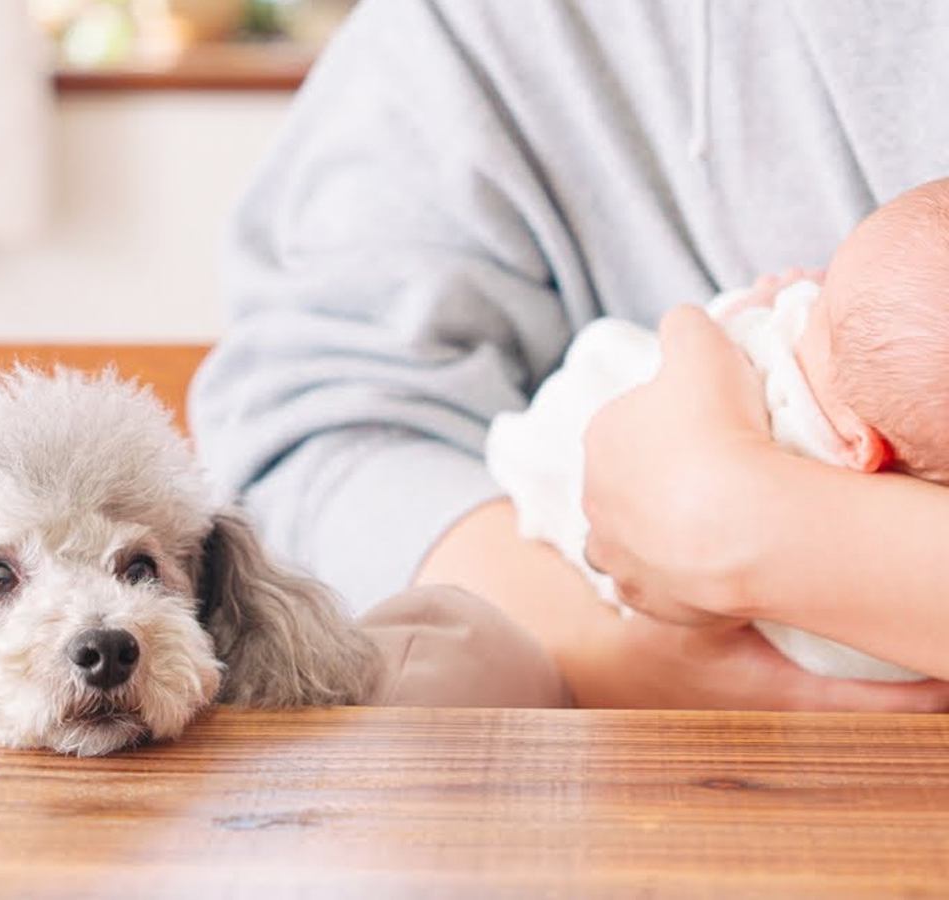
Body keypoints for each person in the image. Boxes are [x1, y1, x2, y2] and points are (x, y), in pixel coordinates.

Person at [190, 0, 949, 711]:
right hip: (645, 767)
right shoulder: (479, 35)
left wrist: (749, 528)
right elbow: (317, 427)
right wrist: (610, 652)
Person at [489, 178, 949, 683]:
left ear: (860, 447)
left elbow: (731, 341)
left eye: (818, 307)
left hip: (599, 469)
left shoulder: (804, 411)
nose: (803, 294)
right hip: (583, 602)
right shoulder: (880, 398)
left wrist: (746, 310)